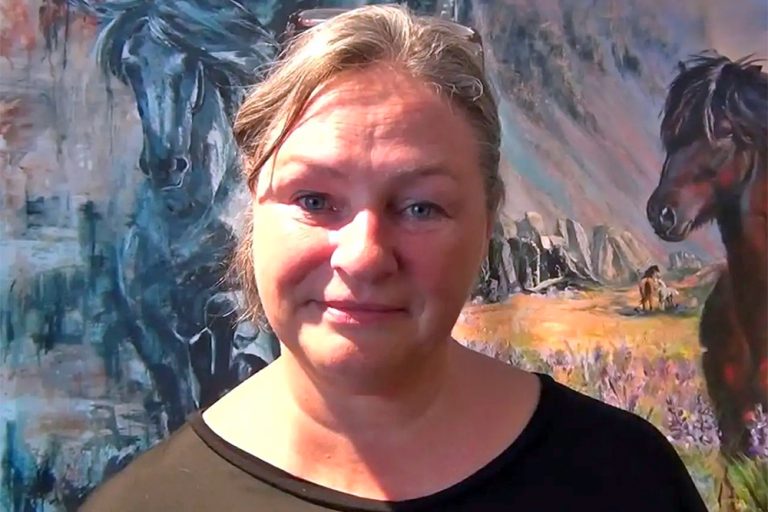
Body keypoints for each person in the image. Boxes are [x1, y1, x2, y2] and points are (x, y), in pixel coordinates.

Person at [81, 5, 708, 511]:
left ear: (486, 224)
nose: (363, 257)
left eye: (420, 208)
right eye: (315, 198)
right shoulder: (147, 503)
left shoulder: (625, 479)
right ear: (252, 208)